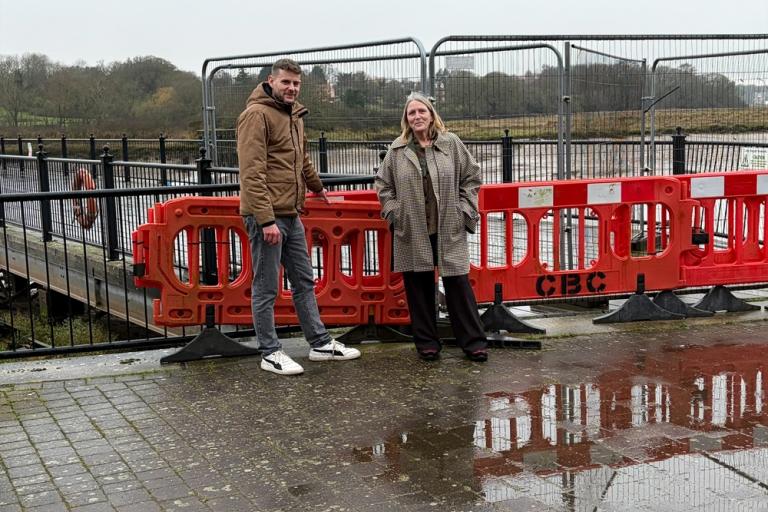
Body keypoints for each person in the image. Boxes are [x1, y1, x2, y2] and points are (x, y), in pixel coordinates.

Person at [237, 58, 360, 376]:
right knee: (266, 287)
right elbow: (252, 172)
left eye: (296, 84)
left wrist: (317, 187)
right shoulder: (256, 115)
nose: (291, 88)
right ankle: (269, 352)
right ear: (271, 81)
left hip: (291, 212)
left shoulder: (293, 115)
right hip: (269, 216)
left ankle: (319, 343)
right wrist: (265, 220)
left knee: (304, 280)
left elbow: (300, 157)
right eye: (286, 82)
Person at [375, 92, 488, 362]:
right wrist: (394, 213)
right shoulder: (397, 149)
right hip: (412, 226)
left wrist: (465, 210)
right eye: (411, 113)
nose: (417, 117)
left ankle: (473, 342)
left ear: (431, 115)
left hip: (449, 224)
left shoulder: (452, 144)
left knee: (458, 284)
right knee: (418, 286)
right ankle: (426, 343)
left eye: (421, 111)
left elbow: (471, 177)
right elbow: (383, 185)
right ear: (406, 119)